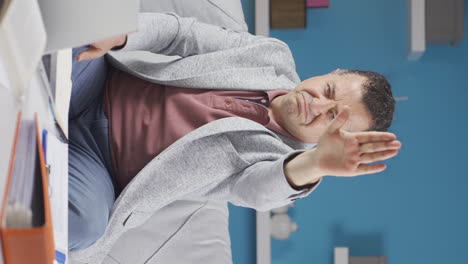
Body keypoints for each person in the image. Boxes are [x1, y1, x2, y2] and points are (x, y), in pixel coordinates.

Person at [68, 12, 400, 263]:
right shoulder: (271, 56)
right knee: (78, 30)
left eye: (332, 118)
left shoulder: (282, 163)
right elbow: (183, 35)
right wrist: (122, 36)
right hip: (98, 84)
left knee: (84, 227)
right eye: (328, 90)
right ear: (333, 72)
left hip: (100, 167)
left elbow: (258, 191)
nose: (315, 103)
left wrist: (316, 162)